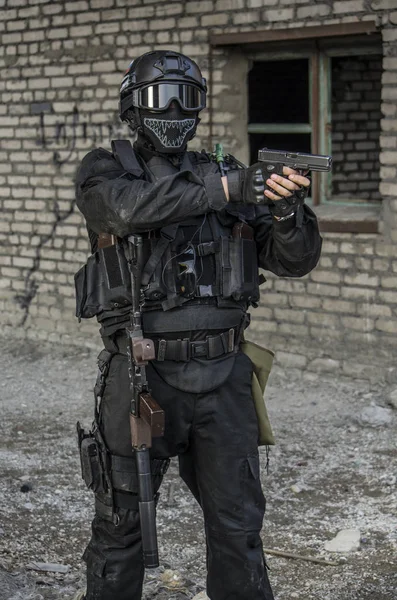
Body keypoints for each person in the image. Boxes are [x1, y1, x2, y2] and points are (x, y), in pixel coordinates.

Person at [73, 50, 322, 600]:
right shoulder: (105, 170)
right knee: (120, 533)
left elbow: (294, 260)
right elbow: (125, 211)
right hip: (141, 376)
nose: (177, 111)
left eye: (190, 98)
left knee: (239, 530)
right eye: (164, 98)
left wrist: (286, 210)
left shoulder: (225, 174)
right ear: (133, 107)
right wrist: (230, 190)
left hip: (224, 375)